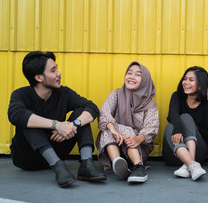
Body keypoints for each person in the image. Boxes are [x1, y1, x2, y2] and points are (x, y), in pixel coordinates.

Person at [7, 51, 106, 188]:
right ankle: (57, 166)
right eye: (53, 70)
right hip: (27, 158)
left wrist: (73, 125)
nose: (59, 73)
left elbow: (92, 107)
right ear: (39, 77)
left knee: (81, 113)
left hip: (57, 150)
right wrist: (57, 125)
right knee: (26, 120)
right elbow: (15, 115)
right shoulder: (21, 94)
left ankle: (86, 164)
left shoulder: (63, 93)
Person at [96, 62, 159, 184]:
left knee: (126, 131)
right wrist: (113, 129)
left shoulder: (150, 105)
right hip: (114, 144)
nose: (131, 77)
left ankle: (138, 166)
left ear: (145, 80)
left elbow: (151, 128)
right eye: (129, 73)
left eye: (137, 75)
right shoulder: (116, 94)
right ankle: (117, 163)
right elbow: (104, 112)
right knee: (109, 127)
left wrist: (138, 138)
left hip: (139, 148)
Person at [162, 66, 208, 180]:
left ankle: (189, 163)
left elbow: (207, 135)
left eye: (191, 80)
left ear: (200, 85)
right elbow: (172, 115)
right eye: (185, 79)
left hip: (199, 153)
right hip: (174, 154)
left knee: (185, 118)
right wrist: (180, 129)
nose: (185, 82)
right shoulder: (177, 97)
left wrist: (189, 128)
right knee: (170, 127)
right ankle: (191, 164)